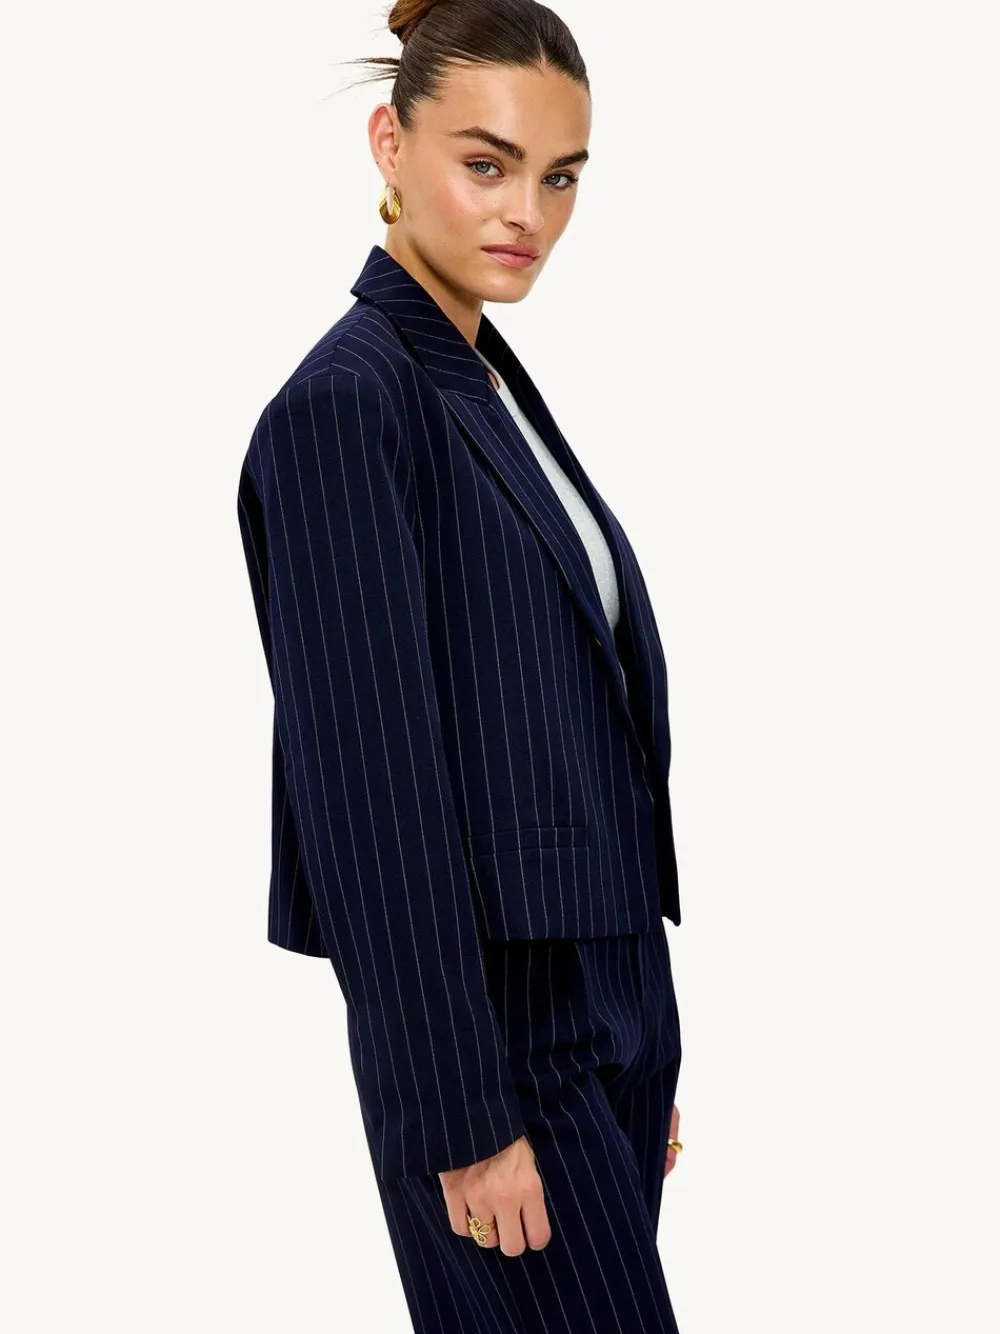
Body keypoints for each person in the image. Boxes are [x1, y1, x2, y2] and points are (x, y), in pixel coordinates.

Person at [236, 0, 686, 1328]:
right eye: (486, 164)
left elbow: (567, 712)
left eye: (561, 177)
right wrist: (460, 1115)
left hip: (602, 1003)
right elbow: (372, 801)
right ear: (390, 143)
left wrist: (642, 1036)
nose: (527, 214)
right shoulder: (346, 407)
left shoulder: (483, 382)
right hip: (493, 1041)